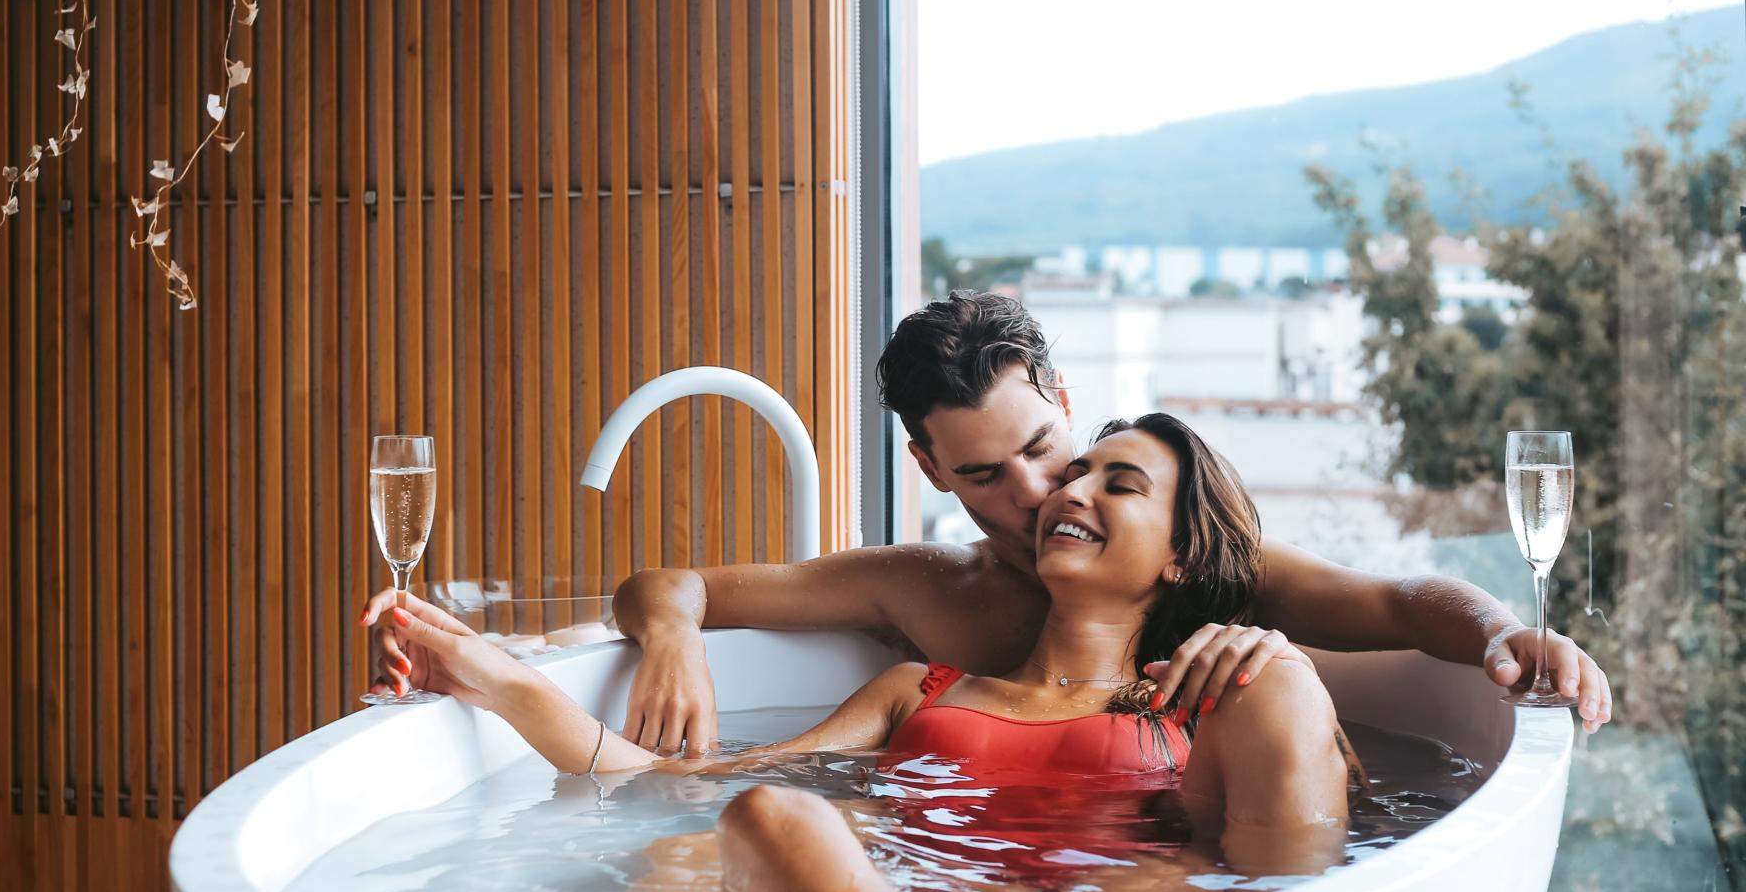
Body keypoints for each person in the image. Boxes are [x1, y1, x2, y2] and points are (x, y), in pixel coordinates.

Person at [360, 415, 1352, 892]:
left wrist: (1293, 662)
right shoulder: (919, 686)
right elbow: (672, 783)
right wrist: (496, 676)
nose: (1070, 491)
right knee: (754, 817)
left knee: (1168, 879)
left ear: (1180, 557)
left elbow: (1269, 889)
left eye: (1119, 485)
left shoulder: (1205, 698)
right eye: (1077, 470)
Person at [607, 291, 1612, 754]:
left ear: (1064, 392)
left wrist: (1505, 635)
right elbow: (670, 584)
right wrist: (669, 635)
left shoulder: (1184, 552)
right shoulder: (923, 589)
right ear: (929, 468)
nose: (1040, 490)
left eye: (1047, 443)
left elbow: (1398, 599)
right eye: (987, 474)